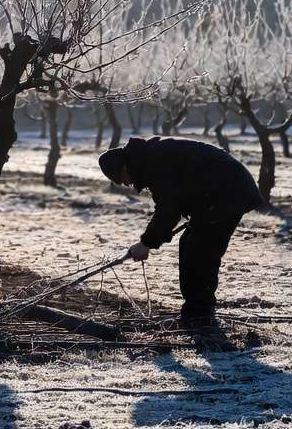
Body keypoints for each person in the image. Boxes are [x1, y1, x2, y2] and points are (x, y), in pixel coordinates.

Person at [98, 136, 263, 325]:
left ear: (124, 167)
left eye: (121, 179)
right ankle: (195, 313)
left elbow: (168, 209)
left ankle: (200, 318)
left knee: (200, 249)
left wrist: (147, 243)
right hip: (217, 197)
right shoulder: (149, 157)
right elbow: (174, 201)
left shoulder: (155, 160)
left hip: (230, 193)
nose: (126, 184)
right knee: (189, 243)